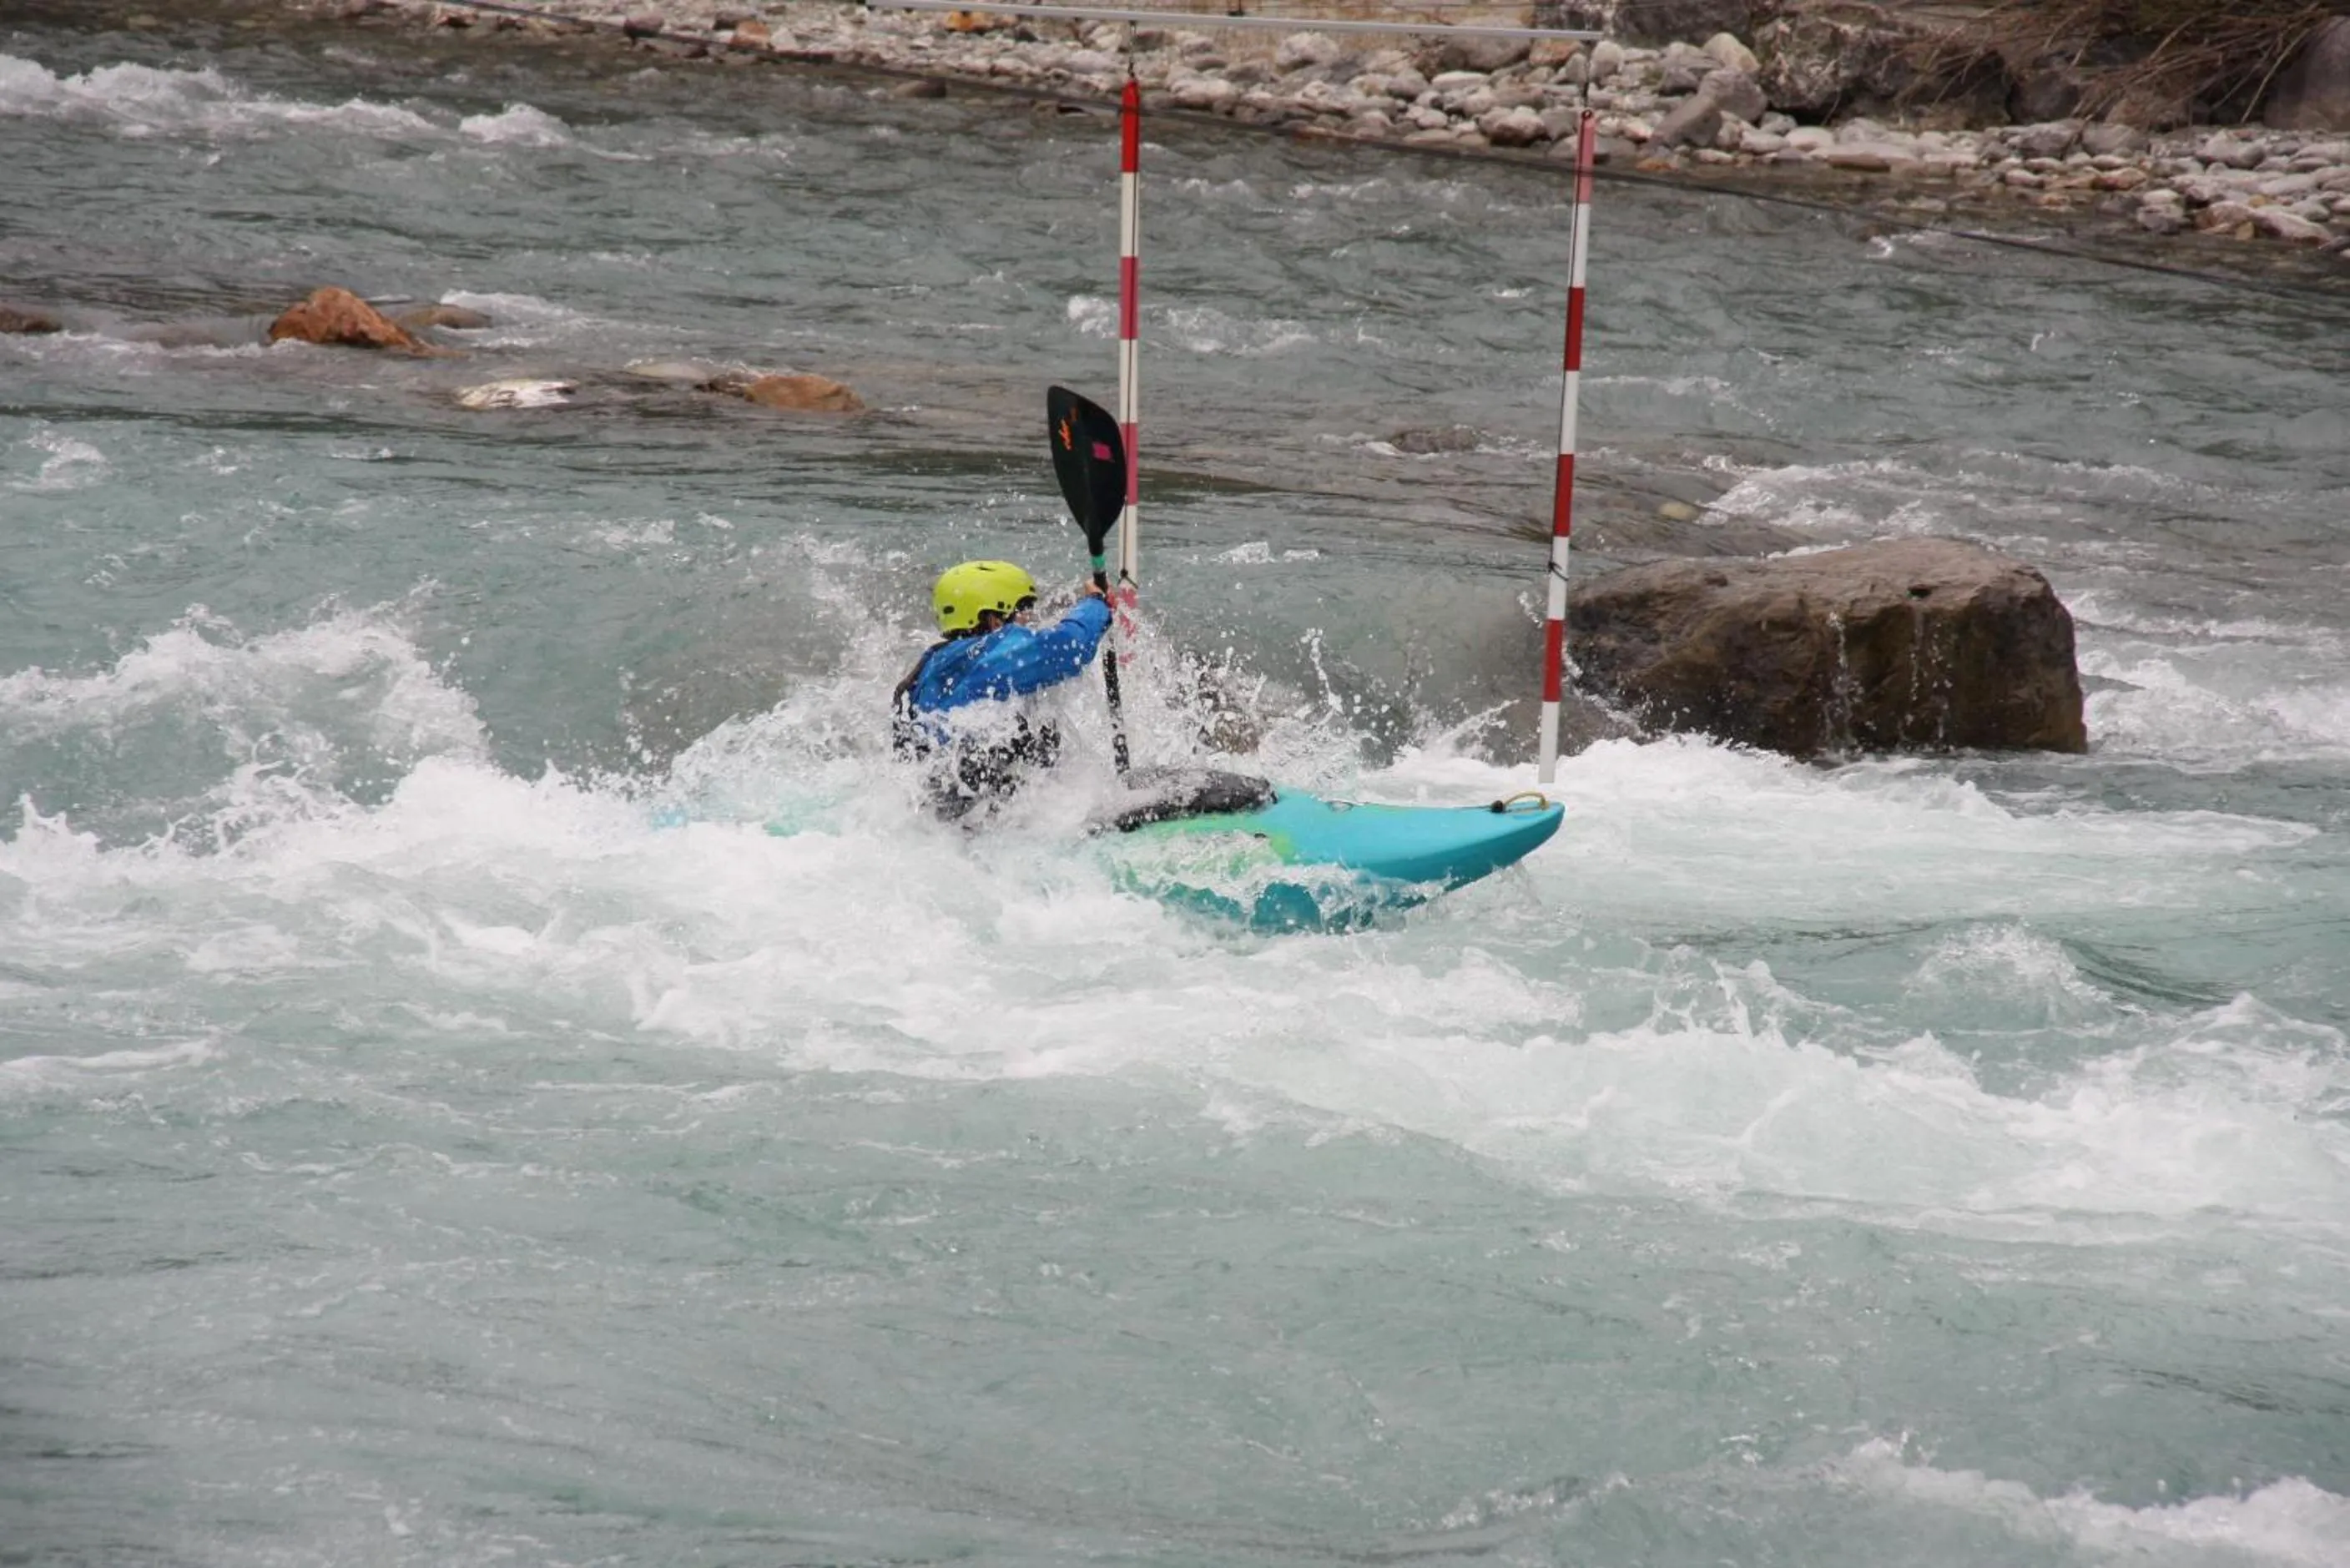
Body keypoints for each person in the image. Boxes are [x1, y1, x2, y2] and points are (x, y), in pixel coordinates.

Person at [892, 559, 1112, 819]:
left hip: (942, 815)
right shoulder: (987, 658)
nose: (1029, 620)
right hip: (979, 817)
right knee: (1035, 732)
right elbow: (1070, 648)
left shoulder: (936, 664)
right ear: (995, 621)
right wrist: (1096, 603)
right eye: (1022, 610)